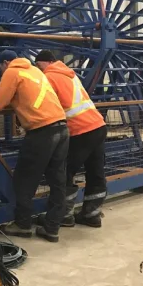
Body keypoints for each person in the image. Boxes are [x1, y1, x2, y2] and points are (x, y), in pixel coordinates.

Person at [0, 50, 69, 243]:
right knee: (57, 179)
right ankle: (52, 227)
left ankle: (23, 225)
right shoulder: (35, 71)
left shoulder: (12, 72)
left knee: (24, 179)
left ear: (6, 62)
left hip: (41, 131)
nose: (0, 71)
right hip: (62, 128)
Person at [35, 50, 107, 228]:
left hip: (80, 130)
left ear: (45, 63)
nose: (38, 70)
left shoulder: (49, 77)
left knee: (64, 172)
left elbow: (43, 103)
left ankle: (63, 215)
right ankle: (91, 214)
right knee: (95, 171)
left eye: (38, 66)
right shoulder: (69, 74)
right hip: (98, 125)